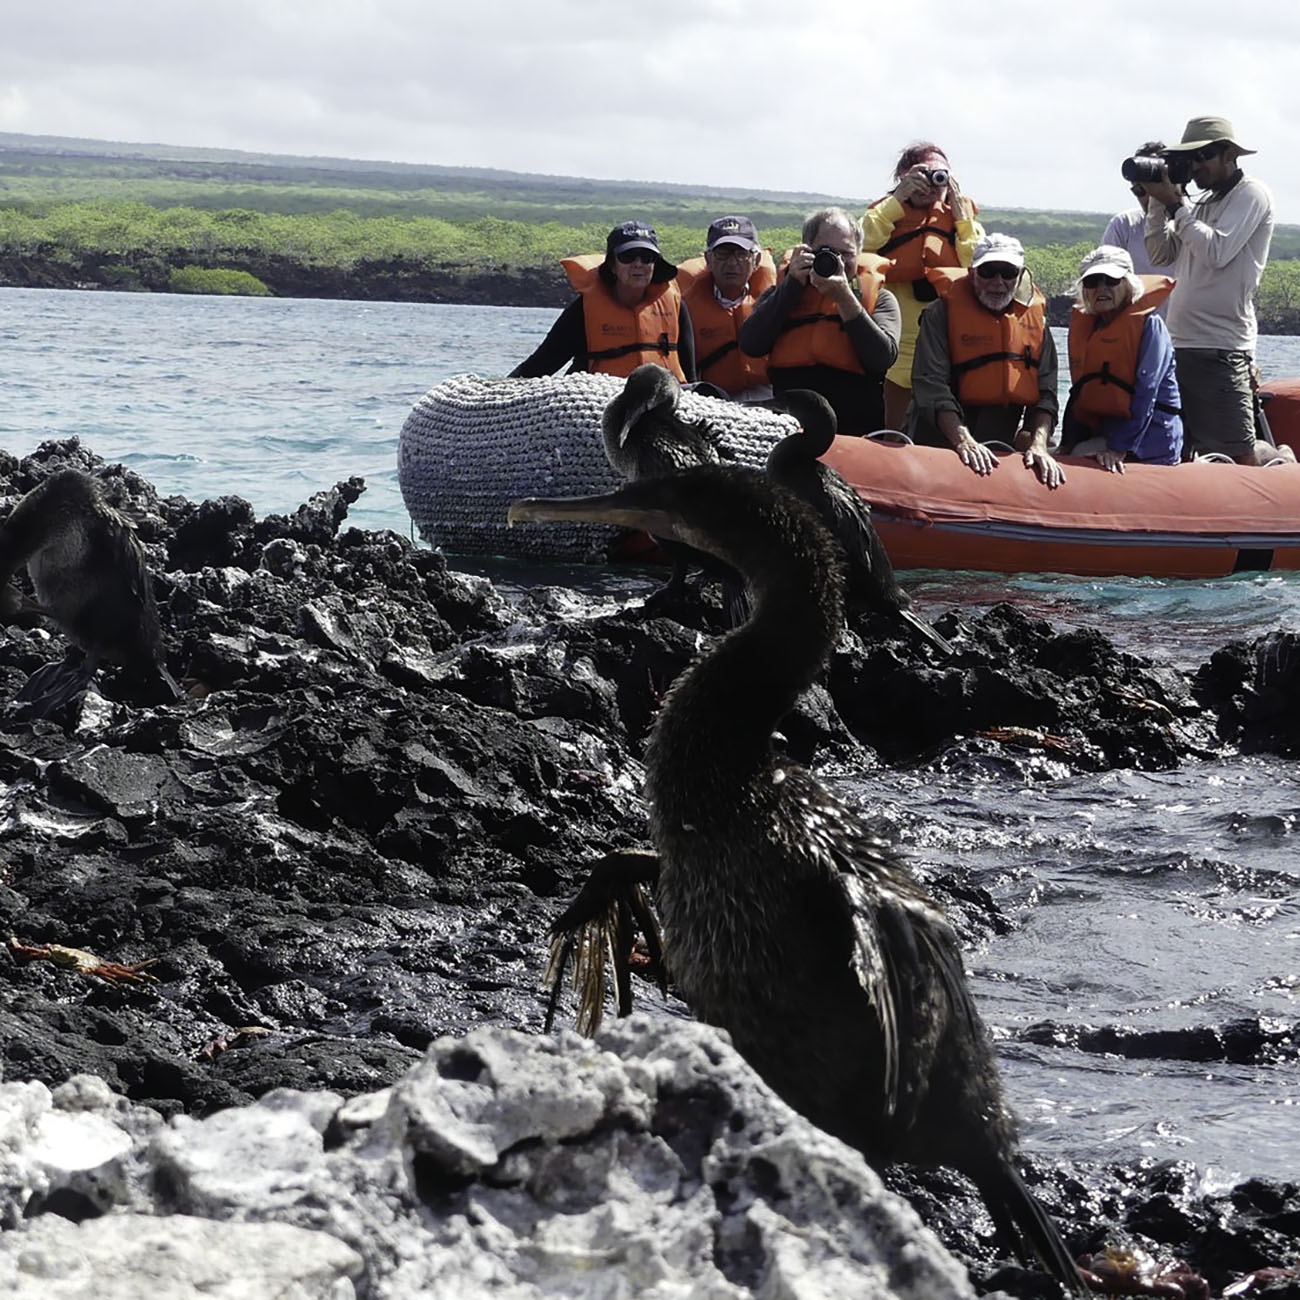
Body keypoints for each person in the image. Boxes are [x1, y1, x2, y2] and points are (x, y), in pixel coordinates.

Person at [1142, 115, 1295, 465]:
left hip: (1220, 345)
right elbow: (1160, 254)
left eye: (1204, 155)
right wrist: (1156, 203)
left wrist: (1176, 205)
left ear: (1230, 155)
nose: (1196, 166)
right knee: (1183, 446)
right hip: (1179, 341)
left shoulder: (1251, 194)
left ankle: (1284, 461)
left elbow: (1216, 252)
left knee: (1239, 451)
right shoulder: (1201, 203)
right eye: (1190, 158)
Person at [906, 232, 1064, 488]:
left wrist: (1038, 444)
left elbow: (1046, 394)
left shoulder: (1037, 324)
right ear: (972, 273)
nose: (998, 282)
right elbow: (931, 385)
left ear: (1021, 275)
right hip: (939, 440)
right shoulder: (940, 314)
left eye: (1008, 272)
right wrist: (962, 440)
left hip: (999, 438)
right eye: (989, 271)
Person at [737, 206, 900, 432]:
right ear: (806, 250)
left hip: (854, 428)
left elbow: (882, 358)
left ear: (859, 254)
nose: (837, 260)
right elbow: (751, 344)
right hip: (790, 424)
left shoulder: (881, 300)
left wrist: (845, 298)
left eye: (846, 254)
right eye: (827, 251)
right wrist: (792, 286)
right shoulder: (781, 294)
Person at [862, 143, 984, 429]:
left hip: (942, 341)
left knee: (937, 420)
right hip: (895, 342)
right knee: (890, 426)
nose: (932, 184)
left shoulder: (960, 217)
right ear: (904, 176)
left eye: (940, 176)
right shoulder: (884, 213)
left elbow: (976, 263)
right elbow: (860, 243)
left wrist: (961, 219)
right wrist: (898, 200)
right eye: (923, 175)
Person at [511, 221, 696, 381]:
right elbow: (539, 366)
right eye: (628, 257)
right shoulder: (583, 310)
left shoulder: (676, 307)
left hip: (658, 403)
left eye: (647, 258)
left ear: (655, 265)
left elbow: (689, 373)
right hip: (597, 402)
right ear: (612, 265)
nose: (638, 264)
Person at [1061, 245, 1182, 470]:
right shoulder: (1091, 327)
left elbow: (1147, 390)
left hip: (1151, 441)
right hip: (1107, 431)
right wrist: (1066, 443)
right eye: (1093, 282)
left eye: (1110, 281)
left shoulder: (1150, 325)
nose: (1101, 288)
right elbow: (1080, 390)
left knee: (1080, 455)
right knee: (1073, 451)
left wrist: (1119, 448)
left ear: (1127, 284)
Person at [675, 216, 776, 400]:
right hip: (713, 399)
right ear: (708, 259)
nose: (732, 263)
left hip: (769, 395)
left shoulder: (776, 301)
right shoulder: (685, 308)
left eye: (741, 254)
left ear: (756, 259)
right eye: (723, 253)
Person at [1104, 141, 1173, 284]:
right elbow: (1106, 280)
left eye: (1155, 189)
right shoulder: (1124, 225)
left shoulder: (1198, 218)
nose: (1150, 198)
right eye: (1139, 191)